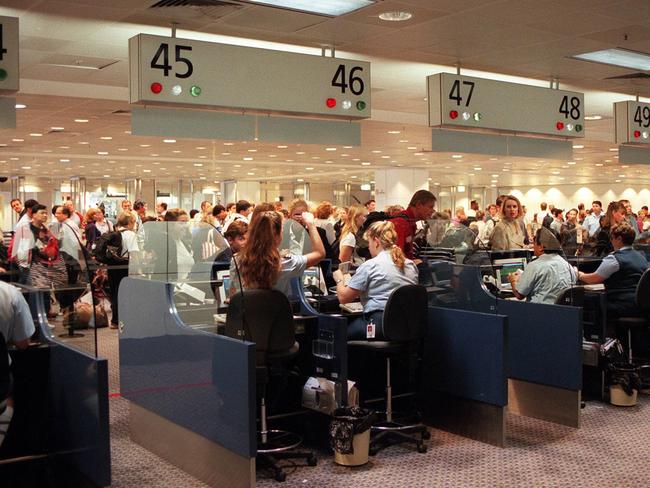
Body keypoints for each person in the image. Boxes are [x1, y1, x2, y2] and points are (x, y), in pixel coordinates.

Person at [333, 221, 418, 340]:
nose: (368, 247)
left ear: (376, 242)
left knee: (337, 333)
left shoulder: (370, 265)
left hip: (378, 324)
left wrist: (339, 279)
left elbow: (343, 298)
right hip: (407, 326)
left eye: (369, 242)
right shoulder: (410, 265)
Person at [230, 210, 324, 297]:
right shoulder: (285, 263)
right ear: (276, 235)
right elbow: (320, 253)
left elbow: (233, 292)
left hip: (247, 314)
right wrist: (311, 224)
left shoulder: (236, 260)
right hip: (277, 314)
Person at [578, 223, 648, 317]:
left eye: (612, 238)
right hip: (641, 305)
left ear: (619, 239)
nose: (611, 241)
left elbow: (593, 279)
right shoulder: (641, 256)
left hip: (620, 304)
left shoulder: (615, 259)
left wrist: (579, 274)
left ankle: (597, 331)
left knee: (587, 301)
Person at [508, 228, 577, 304]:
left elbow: (519, 295)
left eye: (534, 243)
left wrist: (513, 280)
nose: (533, 247)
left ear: (541, 247)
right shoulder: (567, 265)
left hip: (540, 312)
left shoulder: (535, 265)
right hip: (562, 312)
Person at [107, 212, 139, 329]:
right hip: (125, 265)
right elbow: (134, 253)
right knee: (125, 293)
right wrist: (138, 268)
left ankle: (115, 320)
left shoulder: (114, 233)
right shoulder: (130, 234)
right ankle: (125, 320)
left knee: (115, 292)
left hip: (112, 266)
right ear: (130, 222)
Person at [390, 189, 436, 260]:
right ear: (418, 205)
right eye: (430, 207)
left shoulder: (411, 223)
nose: (433, 211)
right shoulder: (401, 223)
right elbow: (396, 256)